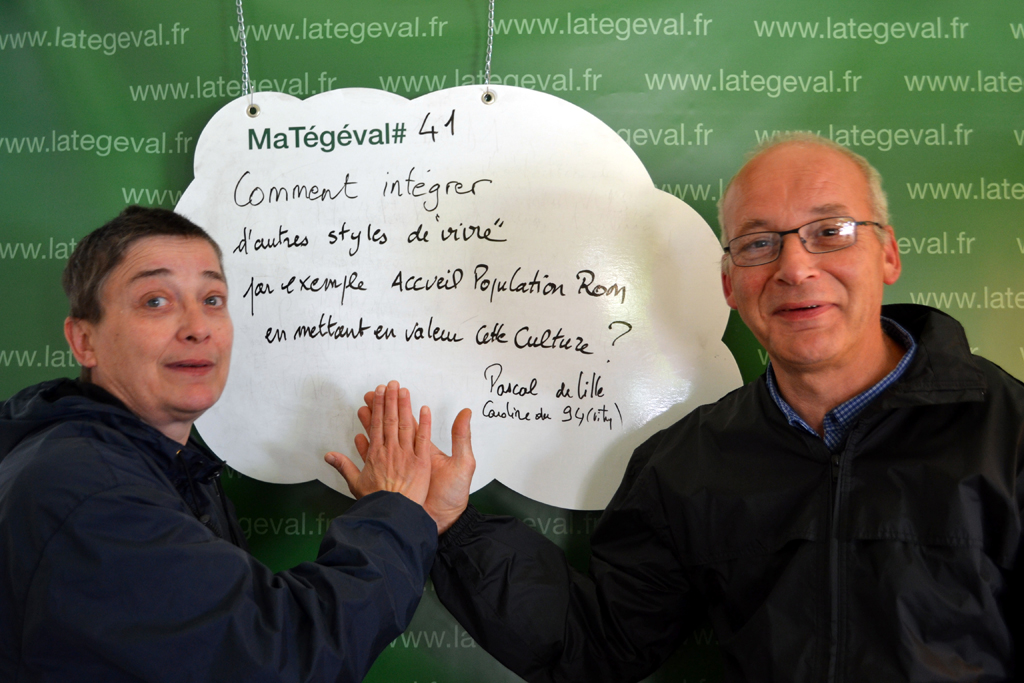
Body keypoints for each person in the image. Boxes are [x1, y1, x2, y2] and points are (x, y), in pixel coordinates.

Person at [413, 134, 1024, 682]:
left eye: (829, 231)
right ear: (730, 284)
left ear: (888, 254)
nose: (795, 268)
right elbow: (598, 647)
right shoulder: (687, 465)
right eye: (759, 244)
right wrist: (451, 526)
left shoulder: (1009, 431)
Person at [0, 205, 461, 682]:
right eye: (155, 301)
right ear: (84, 341)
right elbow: (282, 657)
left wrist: (413, 516)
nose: (197, 326)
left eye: (212, 299)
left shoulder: (151, 461)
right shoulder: (90, 492)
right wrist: (396, 511)